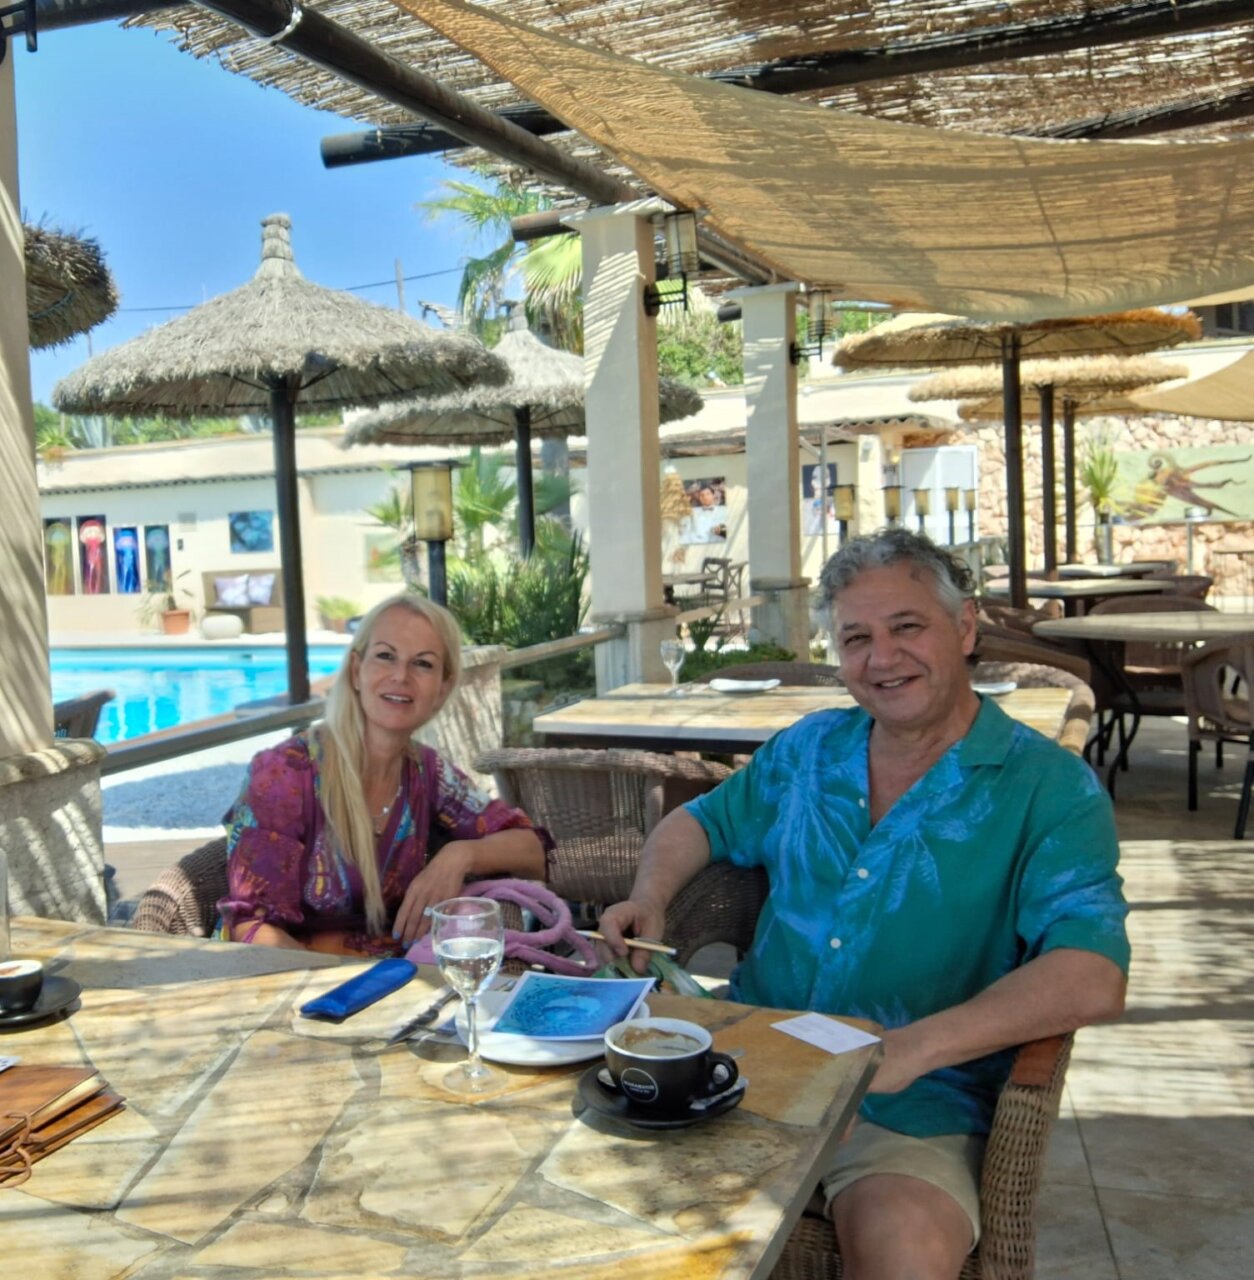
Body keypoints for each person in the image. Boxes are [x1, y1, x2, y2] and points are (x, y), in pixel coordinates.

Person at [599, 529, 1129, 1280]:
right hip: (750, 1064)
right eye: (856, 638)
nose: (882, 658)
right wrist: (649, 896)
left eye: (906, 627)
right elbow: (699, 821)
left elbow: (1090, 973)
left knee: (904, 1251)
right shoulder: (810, 749)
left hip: (913, 1102)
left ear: (966, 626)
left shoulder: (1047, 788)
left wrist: (911, 1049)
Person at [217, 592, 548, 955]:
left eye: (422, 664)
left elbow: (532, 849)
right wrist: (340, 986)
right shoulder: (284, 774)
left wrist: (459, 855)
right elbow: (249, 929)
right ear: (357, 670)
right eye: (385, 656)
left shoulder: (427, 772)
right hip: (296, 985)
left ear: (441, 689)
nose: (400, 676)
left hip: (396, 983)